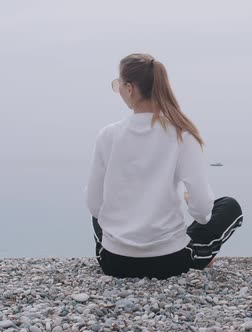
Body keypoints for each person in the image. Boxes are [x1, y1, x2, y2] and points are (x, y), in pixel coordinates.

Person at [85, 53, 243, 279]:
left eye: (118, 84)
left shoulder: (108, 135)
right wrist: (189, 203)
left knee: (99, 209)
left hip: (114, 262)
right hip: (169, 263)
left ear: (130, 89)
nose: (118, 90)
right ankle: (198, 254)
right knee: (230, 206)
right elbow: (203, 211)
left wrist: (123, 222)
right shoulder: (183, 135)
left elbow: (94, 205)